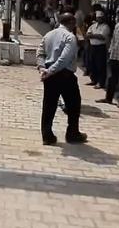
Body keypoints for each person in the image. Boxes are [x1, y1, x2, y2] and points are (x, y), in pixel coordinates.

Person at [36, 13, 87, 145]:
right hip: (64, 75)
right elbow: (64, 59)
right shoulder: (70, 37)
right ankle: (72, 133)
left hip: (49, 74)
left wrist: (43, 68)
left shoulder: (49, 34)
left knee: (49, 105)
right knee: (74, 104)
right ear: (71, 22)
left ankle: (47, 135)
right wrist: (50, 71)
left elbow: (40, 52)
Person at [86, 11, 111, 88]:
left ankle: (101, 82)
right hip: (92, 46)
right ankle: (94, 80)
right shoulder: (93, 26)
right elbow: (87, 34)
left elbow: (102, 36)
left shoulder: (105, 27)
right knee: (92, 64)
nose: (99, 19)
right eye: (97, 17)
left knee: (100, 65)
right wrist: (94, 35)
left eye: (100, 18)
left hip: (100, 47)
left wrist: (92, 35)